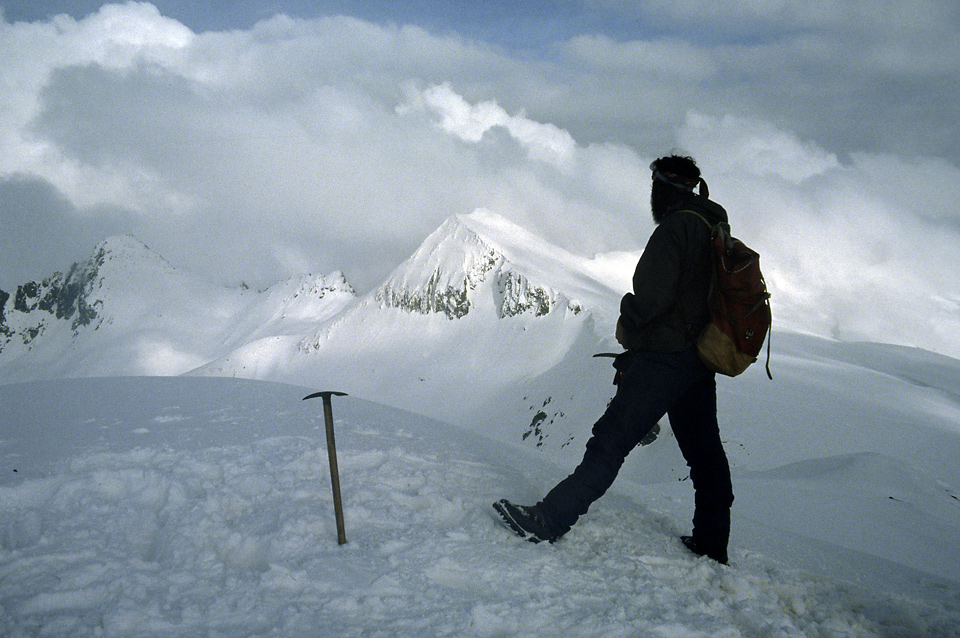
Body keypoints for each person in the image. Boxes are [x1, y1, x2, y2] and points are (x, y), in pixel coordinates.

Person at [493, 154, 734, 564]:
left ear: (662, 188)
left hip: (664, 360)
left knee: (610, 442)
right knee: (705, 454)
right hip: (698, 361)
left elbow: (652, 300)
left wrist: (630, 321)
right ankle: (712, 543)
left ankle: (549, 520)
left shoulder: (675, 229)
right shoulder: (714, 225)